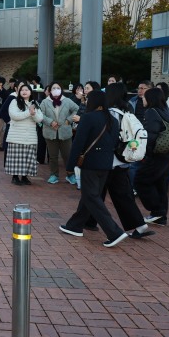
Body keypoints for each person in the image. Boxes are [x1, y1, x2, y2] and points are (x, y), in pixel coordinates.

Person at [60, 90, 129, 247]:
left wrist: (70, 165)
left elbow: (78, 143)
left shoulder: (88, 117)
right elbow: (114, 143)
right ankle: (75, 225)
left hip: (90, 163)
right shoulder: (113, 119)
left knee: (91, 197)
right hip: (106, 163)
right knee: (91, 195)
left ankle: (114, 232)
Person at [103, 83, 155, 239]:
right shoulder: (127, 111)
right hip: (124, 159)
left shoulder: (111, 113)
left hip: (110, 160)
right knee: (122, 195)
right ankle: (140, 225)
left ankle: (83, 222)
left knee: (94, 195)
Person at [137, 88, 169, 225]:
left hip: (156, 154)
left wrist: (145, 153)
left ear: (150, 99)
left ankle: (157, 211)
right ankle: (161, 216)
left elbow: (151, 135)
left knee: (141, 180)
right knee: (160, 185)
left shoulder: (151, 112)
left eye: (144, 97)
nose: (142, 99)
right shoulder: (165, 111)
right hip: (168, 154)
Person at [39, 81, 78, 184]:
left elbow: (76, 109)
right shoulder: (45, 102)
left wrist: (69, 120)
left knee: (68, 155)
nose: (56, 90)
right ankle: (54, 175)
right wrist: (50, 122)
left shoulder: (67, 100)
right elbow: (40, 114)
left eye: (58, 88)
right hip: (50, 132)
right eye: (53, 88)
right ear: (50, 90)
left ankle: (70, 174)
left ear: (61, 89)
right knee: (53, 156)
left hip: (65, 132)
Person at [5, 83, 44, 185]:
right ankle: (15, 177)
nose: (24, 92)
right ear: (19, 92)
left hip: (30, 136)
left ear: (31, 92)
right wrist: (29, 113)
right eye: (22, 90)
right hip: (16, 136)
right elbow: (14, 116)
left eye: (27, 90)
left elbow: (40, 119)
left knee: (27, 158)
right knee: (16, 159)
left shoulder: (35, 103)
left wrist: (34, 113)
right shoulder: (14, 102)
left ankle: (24, 177)